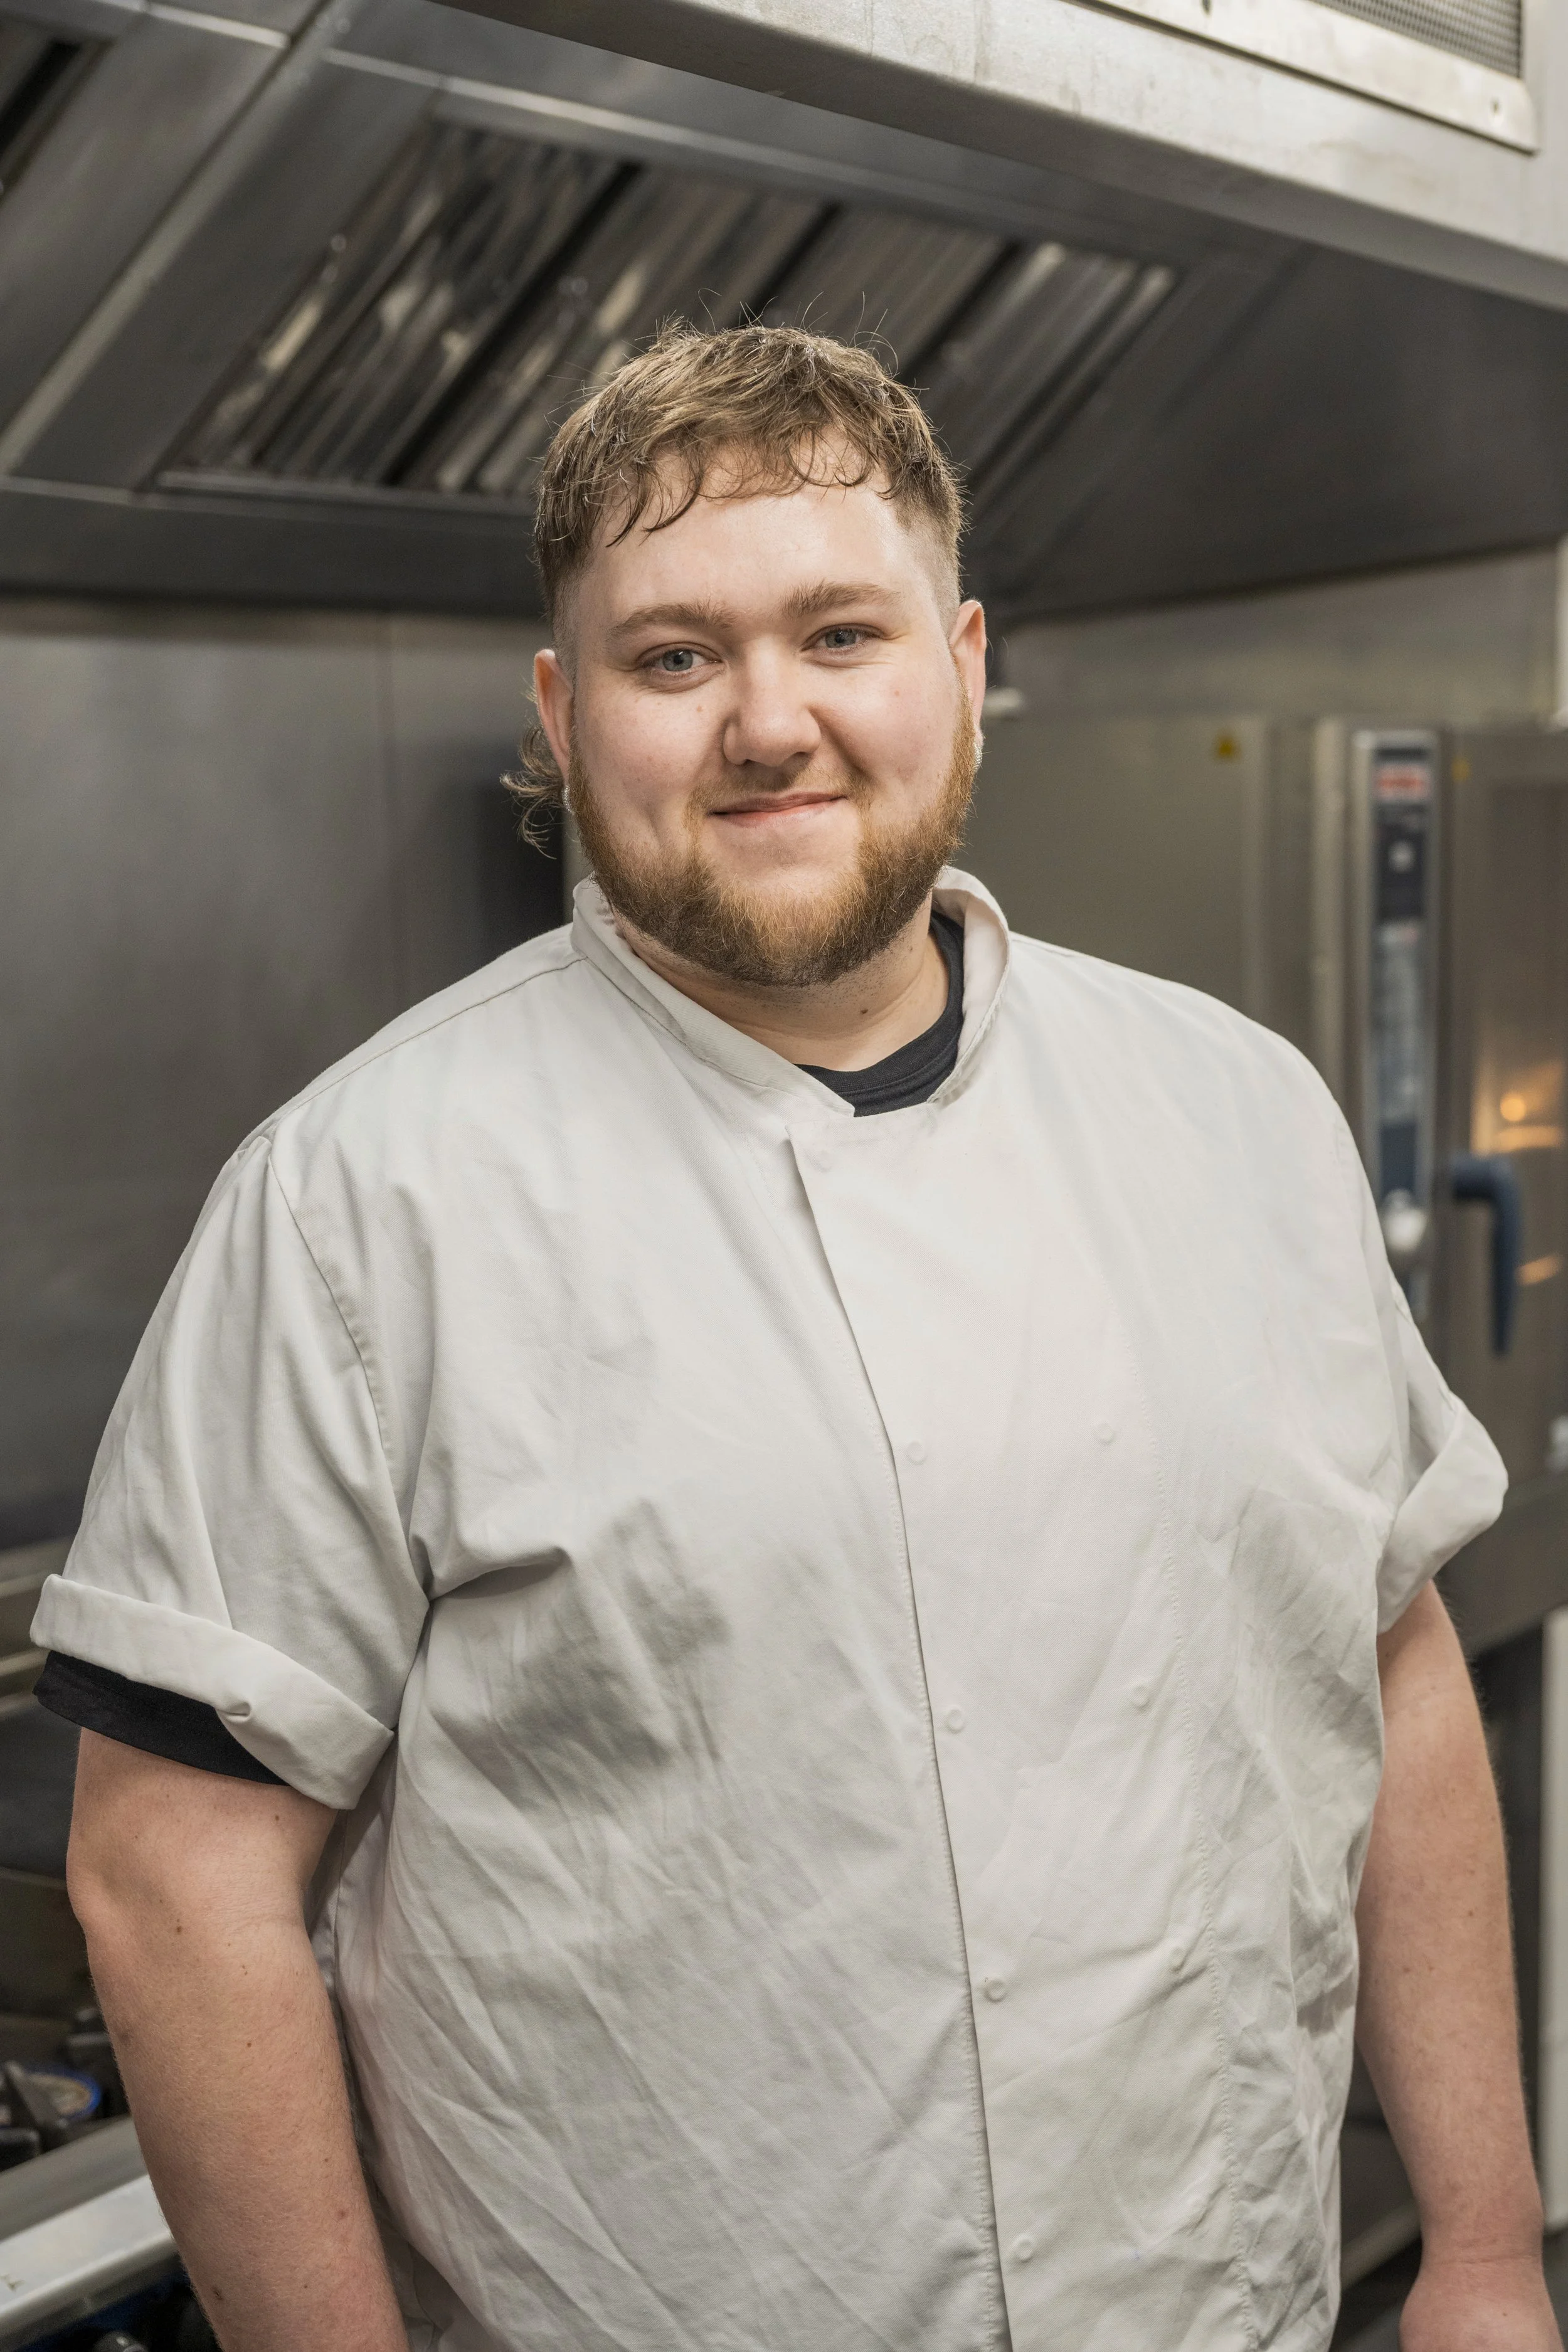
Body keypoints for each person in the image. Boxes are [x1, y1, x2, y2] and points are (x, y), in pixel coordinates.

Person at [33, 322, 1555, 2352]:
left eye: (842, 633)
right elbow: (167, 1881)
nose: (771, 720)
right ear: (565, 715)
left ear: (962, 661)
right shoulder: (359, 1202)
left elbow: (1388, 1659)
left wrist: (1476, 2242)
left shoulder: (1233, 1108)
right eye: (675, 659)